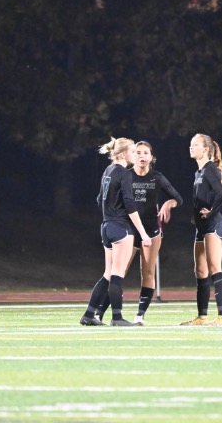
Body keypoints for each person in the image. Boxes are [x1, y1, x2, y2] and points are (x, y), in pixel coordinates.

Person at [95, 141, 183, 325]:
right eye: (138, 152)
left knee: (148, 272)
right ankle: (100, 313)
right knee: (118, 272)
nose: (142, 156)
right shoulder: (126, 175)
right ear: (132, 155)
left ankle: (140, 316)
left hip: (151, 230)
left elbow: (178, 198)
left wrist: (169, 203)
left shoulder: (157, 177)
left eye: (145, 153)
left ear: (151, 157)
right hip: (129, 231)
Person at [80, 137, 152, 327]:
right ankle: (117, 318)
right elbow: (129, 205)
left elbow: (99, 199)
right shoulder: (124, 173)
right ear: (123, 154)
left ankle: (89, 315)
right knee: (117, 274)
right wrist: (143, 233)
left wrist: (110, 214)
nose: (135, 155)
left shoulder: (108, 170)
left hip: (106, 227)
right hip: (120, 228)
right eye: (133, 151)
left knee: (108, 274)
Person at [181, 133, 222, 326]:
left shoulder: (210, 169)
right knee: (200, 271)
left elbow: (221, 194)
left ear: (206, 150)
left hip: (213, 224)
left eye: (195, 145)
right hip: (201, 227)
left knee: (214, 268)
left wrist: (211, 213)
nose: (191, 147)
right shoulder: (199, 172)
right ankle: (202, 317)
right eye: (191, 144)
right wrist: (196, 215)